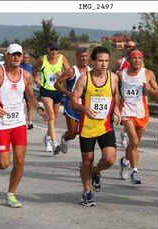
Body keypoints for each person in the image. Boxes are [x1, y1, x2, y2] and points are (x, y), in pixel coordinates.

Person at [0, 44, 47, 208]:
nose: (16, 58)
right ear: (7, 56)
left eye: (19, 55)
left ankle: (11, 194)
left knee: (20, 160)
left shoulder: (26, 75)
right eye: (13, 55)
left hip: (19, 123)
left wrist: (40, 109)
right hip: (1, 124)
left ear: (22, 57)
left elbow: (30, 96)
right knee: (4, 164)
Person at [70, 46, 121, 206]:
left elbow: (115, 94)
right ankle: (86, 192)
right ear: (93, 61)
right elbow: (72, 101)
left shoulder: (113, 78)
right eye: (100, 61)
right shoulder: (84, 79)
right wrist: (84, 108)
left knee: (110, 159)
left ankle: (96, 171)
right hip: (87, 127)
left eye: (106, 61)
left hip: (105, 126)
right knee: (87, 161)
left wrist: (117, 108)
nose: (104, 64)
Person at [118, 49, 158, 184]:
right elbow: (112, 89)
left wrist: (150, 89)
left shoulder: (147, 74)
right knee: (134, 142)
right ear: (128, 60)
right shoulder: (121, 74)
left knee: (133, 144)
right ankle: (134, 172)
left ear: (143, 60)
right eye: (134, 58)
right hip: (127, 112)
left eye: (139, 58)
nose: (137, 60)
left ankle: (125, 161)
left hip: (142, 113)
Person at [32, 41, 70, 154]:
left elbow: (69, 73)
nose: (54, 52)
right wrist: (36, 78)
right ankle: (54, 143)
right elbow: (34, 68)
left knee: (54, 119)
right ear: (48, 49)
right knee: (51, 117)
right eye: (52, 49)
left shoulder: (62, 58)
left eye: (56, 49)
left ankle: (47, 138)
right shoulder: (41, 59)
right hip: (46, 91)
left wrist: (62, 74)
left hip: (58, 91)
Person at [54, 47, 91, 154]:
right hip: (71, 105)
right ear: (77, 57)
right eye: (81, 56)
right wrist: (69, 94)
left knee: (85, 133)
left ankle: (85, 158)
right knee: (73, 133)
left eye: (86, 56)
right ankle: (65, 139)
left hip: (84, 105)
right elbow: (56, 84)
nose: (84, 58)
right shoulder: (71, 71)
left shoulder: (90, 71)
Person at [114, 40, 139, 148]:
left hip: (135, 93)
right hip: (122, 90)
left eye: (132, 46)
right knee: (122, 114)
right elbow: (113, 73)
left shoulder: (139, 62)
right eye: (128, 46)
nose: (130, 48)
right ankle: (124, 133)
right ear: (125, 48)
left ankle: (125, 134)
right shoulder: (121, 61)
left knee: (129, 115)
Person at [20, 52, 35, 130]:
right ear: (22, 58)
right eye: (25, 58)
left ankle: (30, 122)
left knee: (29, 106)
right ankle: (21, 122)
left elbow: (33, 77)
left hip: (28, 89)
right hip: (20, 89)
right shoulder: (19, 67)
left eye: (27, 58)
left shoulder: (31, 67)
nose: (26, 59)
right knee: (20, 106)